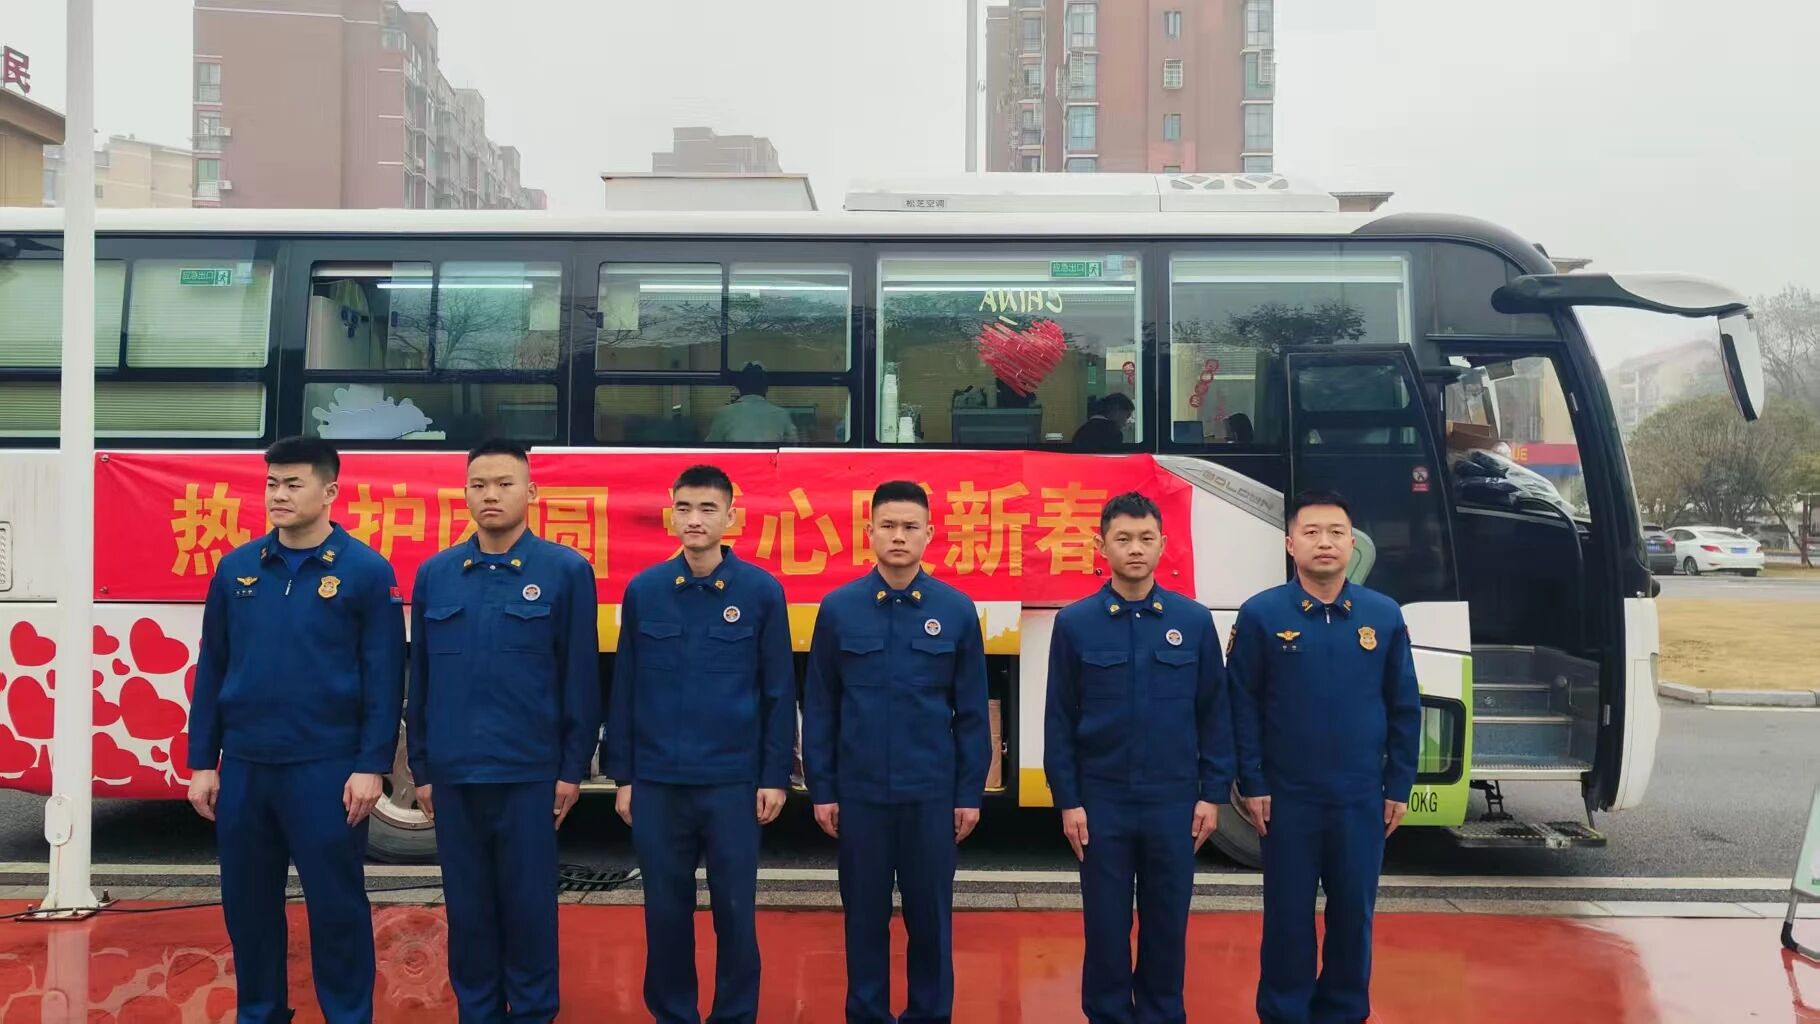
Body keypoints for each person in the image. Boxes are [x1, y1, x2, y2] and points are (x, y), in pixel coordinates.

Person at [187, 435, 405, 1024]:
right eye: (271, 484)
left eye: (292, 484)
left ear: (329, 491)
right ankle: (260, 1012)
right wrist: (203, 761)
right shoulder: (238, 569)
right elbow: (214, 666)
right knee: (248, 906)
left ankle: (348, 1014)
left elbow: (384, 677)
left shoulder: (365, 572)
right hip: (247, 767)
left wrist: (371, 765)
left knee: (336, 906)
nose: (278, 495)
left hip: (325, 769)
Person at [406, 439, 600, 1023]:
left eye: (504, 483)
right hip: (455, 775)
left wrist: (572, 769)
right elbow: (421, 682)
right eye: (478, 484)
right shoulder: (437, 574)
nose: (490, 495)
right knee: (467, 912)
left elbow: (580, 679)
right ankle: (479, 1012)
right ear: (465, 493)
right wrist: (422, 769)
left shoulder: (565, 571)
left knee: (529, 908)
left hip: (529, 774)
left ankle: (534, 1011)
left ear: (531, 492)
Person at [605, 464, 795, 1024]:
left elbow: (778, 691)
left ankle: (734, 1014)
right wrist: (624, 777)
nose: (694, 519)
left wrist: (774, 776)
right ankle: (674, 1013)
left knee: (735, 913)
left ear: (731, 517)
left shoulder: (761, 593)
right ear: (671, 515)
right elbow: (625, 688)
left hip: (732, 784)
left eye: (708, 509)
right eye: (684, 508)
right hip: (659, 783)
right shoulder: (645, 591)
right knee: (665, 913)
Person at [1227, 490, 1422, 1024]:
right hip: (1287, 798)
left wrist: (1398, 785)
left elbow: (1404, 706)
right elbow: (1241, 704)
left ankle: (1343, 1010)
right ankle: (1284, 1011)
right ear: (1291, 544)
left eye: (1336, 532)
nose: (1325, 542)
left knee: (1353, 914)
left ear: (1352, 542)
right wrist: (1252, 782)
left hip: (1360, 797)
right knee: (1287, 916)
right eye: (1311, 532)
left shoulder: (1383, 616)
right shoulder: (1262, 614)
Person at [802, 481, 991, 1024]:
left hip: (930, 795)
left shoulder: (955, 611)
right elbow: (821, 707)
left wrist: (968, 794)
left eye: (910, 526)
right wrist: (823, 789)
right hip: (860, 796)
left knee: (930, 920)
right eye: (888, 525)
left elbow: (972, 713)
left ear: (930, 533)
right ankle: (867, 1014)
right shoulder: (839, 609)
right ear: (869, 533)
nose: (899, 536)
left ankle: (929, 1014)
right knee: (863, 918)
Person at [1044, 491, 1233, 1024]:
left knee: (1167, 924)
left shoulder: (1192, 621)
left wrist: (1212, 794)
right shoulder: (1076, 623)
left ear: (1162, 545)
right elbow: (1059, 718)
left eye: (1146, 538)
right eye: (1123, 538)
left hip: (1174, 802)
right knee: (1105, 927)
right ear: (1100, 545)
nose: (1135, 548)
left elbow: (1214, 714)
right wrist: (1069, 801)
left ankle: (1161, 1014)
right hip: (1102, 802)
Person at [706, 362, 801, 443]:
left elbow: (710, 446)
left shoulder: (724, 413)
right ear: (766, 389)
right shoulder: (781, 414)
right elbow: (793, 445)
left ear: (739, 388)